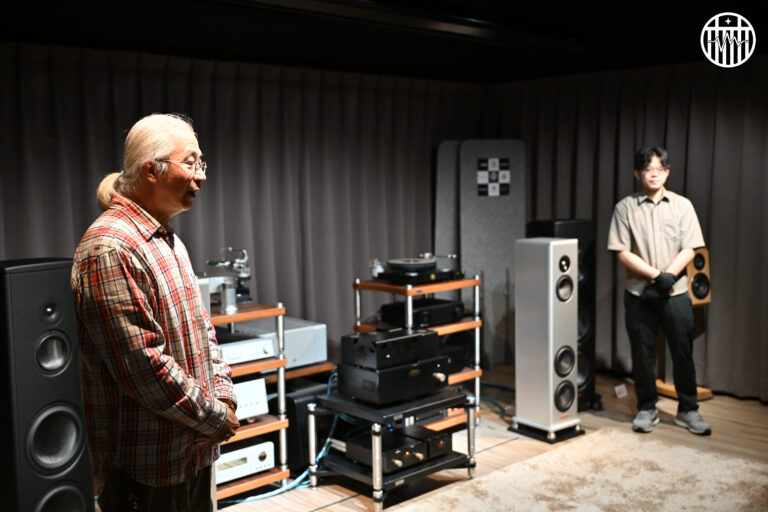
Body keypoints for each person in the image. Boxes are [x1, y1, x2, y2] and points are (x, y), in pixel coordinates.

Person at [71, 113, 240, 511]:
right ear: (152, 170)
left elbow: (203, 330)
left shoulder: (168, 240)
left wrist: (224, 396)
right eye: (191, 162)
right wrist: (214, 417)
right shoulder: (110, 247)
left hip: (192, 449)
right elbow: (144, 367)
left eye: (201, 163)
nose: (201, 175)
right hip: (148, 465)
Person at [607, 146, 711, 436]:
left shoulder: (682, 205)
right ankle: (646, 408)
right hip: (639, 294)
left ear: (667, 173)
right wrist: (656, 277)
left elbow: (691, 247)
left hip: (675, 293)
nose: (654, 174)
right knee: (642, 353)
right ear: (637, 173)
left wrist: (669, 277)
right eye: (647, 169)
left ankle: (688, 410)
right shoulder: (624, 208)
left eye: (659, 169)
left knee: (682, 352)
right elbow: (622, 252)